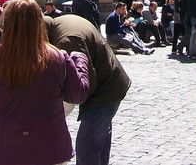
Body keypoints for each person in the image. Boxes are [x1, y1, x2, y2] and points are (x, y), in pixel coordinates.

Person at [0, 0, 91, 165]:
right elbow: (77, 94)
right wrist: (80, 60)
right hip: (47, 150)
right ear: (39, 25)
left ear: (5, 27)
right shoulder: (58, 58)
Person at [44, 14, 131, 165]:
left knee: (87, 149)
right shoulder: (62, 22)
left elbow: (85, 85)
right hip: (111, 83)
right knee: (98, 142)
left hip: (103, 92)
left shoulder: (66, 40)